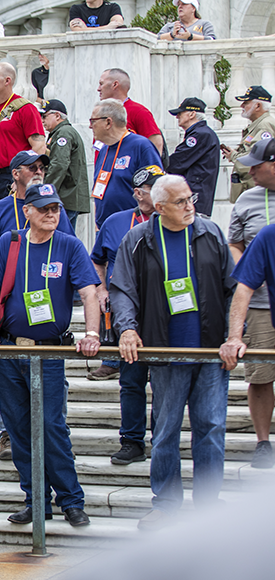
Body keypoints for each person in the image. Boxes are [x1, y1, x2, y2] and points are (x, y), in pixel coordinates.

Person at [0, 183, 100, 527]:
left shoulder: (69, 246)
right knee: (18, 428)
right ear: (27, 211)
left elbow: (89, 293)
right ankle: (36, 499)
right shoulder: (9, 243)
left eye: (55, 208)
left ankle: (71, 500)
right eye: (44, 209)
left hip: (48, 353)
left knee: (52, 426)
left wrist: (92, 334)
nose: (52, 214)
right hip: (11, 350)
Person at [111, 175, 234, 530]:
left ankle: (209, 503)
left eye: (190, 198)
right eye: (181, 202)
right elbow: (122, 290)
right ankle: (165, 503)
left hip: (209, 351)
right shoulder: (139, 239)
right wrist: (128, 328)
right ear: (160, 207)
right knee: (165, 429)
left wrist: (232, 334)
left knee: (211, 426)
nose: (190, 206)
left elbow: (231, 287)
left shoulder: (209, 232)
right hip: (165, 352)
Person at [88, 166, 163, 463]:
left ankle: (162, 438)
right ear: (137, 193)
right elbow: (98, 261)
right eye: (151, 190)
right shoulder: (116, 221)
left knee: (162, 383)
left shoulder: (172, 221)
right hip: (126, 313)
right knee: (131, 381)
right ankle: (131, 440)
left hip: (161, 315)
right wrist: (102, 289)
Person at [223, 137, 275, 468]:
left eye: (257, 164)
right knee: (260, 375)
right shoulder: (246, 200)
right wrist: (253, 264)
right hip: (260, 303)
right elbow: (234, 243)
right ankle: (262, 441)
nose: (251, 170)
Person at [0, 151, 75, 269]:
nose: (38, 172)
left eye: (42, 168)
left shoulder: (53, 208)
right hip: (9, 281)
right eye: (32, 168)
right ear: (16, 174)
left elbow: (69, 250)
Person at [0, 62, 46, 203]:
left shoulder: (25, 108)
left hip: (15, 175)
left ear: (7, 81)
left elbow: (38, 147)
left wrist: (24, 177)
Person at [89, 98, 164, 227]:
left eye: (93, 121)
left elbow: (156, 188)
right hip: (106, 228)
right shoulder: (104, 149)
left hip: (132, 228)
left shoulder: (141, 146)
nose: (90, 126)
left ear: (108, 122)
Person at [39, 99, 90, 229]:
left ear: (57, 115)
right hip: (65, 196)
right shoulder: (59, 133)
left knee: (61, 239)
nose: (42, 120)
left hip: (65, 197)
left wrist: (47, 191)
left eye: (44, 116)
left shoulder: (64, 133)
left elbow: (59, 165)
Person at [167, 97, 220, 217]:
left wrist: (158, 164)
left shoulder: (200, 134)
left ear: (192, 114)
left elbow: (178, 162)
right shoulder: (201, 133)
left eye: (180, 113)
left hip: (195, 196)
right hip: (196, 194)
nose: (177, 117)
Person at [222, 86, 275, 202]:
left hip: (257, 192)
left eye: (246, 102)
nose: (242, 106)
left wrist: (234, 156)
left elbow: (258, 157)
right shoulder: (258, 124)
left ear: (257, 106)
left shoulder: (264, 126)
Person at [97, 68, 164, 153]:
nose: (98, 89)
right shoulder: (100, 112)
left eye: (101, 84)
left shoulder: (139, 112)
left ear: (115, 85)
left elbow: (155, 144)